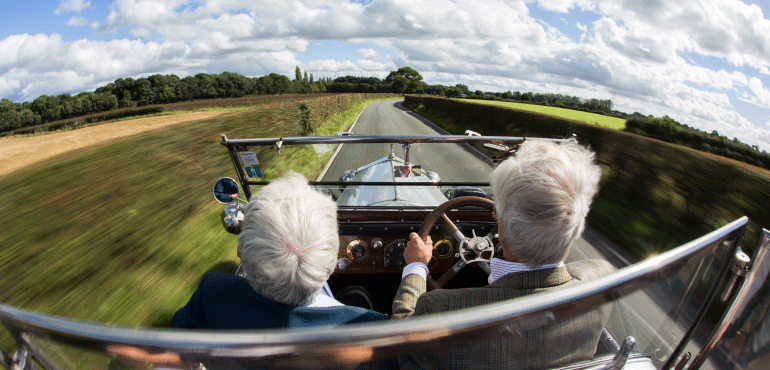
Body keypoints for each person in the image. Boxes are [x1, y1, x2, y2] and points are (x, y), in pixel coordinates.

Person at [392, 140, 614, 370]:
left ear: (502, 228)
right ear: (575, 228)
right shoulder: (603, 282)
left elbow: (402, 336)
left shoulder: (439, 308)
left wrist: (417, 266)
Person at [172, 172, 388, 330]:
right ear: (332, 266)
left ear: (240, 253)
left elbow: (177, 342)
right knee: (357, 296)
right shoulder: (370, 325)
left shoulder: (211, 293)